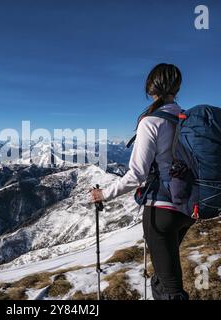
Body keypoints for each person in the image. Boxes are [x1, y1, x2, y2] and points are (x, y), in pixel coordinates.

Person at [91, 63, 195, 300]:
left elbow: (136, 174)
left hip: (162, 212)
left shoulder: (151, 122)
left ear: (151, 89)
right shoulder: (187, 119)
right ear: (177, 88)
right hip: (188, 208)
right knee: (164, 275)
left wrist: (103, 194)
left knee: (171, 288)